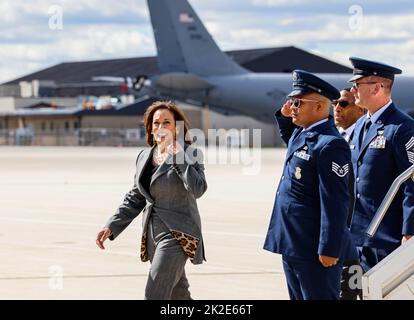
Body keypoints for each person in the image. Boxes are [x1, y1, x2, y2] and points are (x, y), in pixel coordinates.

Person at [95, 100, 207, 300]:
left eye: (167, 123)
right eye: (156, 123)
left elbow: (198, 189)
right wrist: (111, 225)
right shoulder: (144, 156)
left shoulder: (191, 153)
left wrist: (179, 157)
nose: (161, 127)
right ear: (150, 127)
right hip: (152, 235)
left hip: (179, 234)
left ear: (176, 127)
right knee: (178, 296)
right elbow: (136, 197)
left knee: (154, 294)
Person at [263, 70, 357, 300]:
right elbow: (292, 139)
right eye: (291, 101)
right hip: (292, 242)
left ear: (318, 107)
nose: (292, 106)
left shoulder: (331, 145)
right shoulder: (303, 134)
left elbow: (336, 201)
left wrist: (329, 248)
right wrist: (285, 117)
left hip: (314, 247)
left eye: (298, 102)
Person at [348, 57, 414, 272]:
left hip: (388, 237)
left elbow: (411, 183)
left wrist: (409, 232)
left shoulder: (402, 127)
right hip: (358, 235)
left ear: (376, 87)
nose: (353, 90)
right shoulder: (360, 125)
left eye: (357, 84)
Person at [333, 88, 365, 300]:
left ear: (360, 109)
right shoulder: (333, 138)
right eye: (335, 102)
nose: (337, 108)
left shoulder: (367, 136)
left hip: (363, 231)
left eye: (344, 104)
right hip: (338, 229)